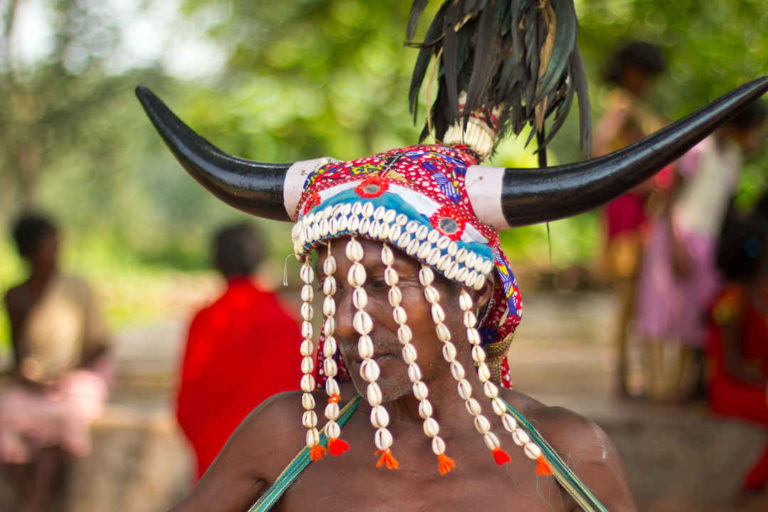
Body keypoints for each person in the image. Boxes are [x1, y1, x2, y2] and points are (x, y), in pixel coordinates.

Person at [135, 1, 768, 509]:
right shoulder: (287, 440)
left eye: (381, 285)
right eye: (335, 290)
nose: (349, 321)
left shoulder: (566, 455)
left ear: (472, 292)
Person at [634, 100, 768, 401]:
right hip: (678, 235)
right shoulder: (699, 149)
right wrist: (676, 242)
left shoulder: (732, 157)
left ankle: (680, 389)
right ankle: (659, 387)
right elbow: (669, 200)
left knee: (692, 315)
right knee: (663, 312)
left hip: (706, 242)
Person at [0, 213, 112, 512]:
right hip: (34, 383)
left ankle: (34, 505)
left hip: (75, 379)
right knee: (8, 421)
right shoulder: (16, 295)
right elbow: (19, 352)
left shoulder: (77, 290)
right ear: (30, 251)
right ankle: (34, 501)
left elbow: (100, 343)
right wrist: (31, 378)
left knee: (61, 420)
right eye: (49, 244)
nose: (56, 249)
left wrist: (67, 375)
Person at [176, 222, 303, 479]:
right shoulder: (286, 321)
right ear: (262, 261)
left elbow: (187, 404)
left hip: (218, 462)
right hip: (281, 464)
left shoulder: (206, 320)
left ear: (217, 263)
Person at [592, 41, 669, 397]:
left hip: (638, 210)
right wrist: (636, 180)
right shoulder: (623, 104)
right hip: (626, 209)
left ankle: (628, 375)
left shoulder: (637, 106)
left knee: (636, 295)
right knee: (627, 295)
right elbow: (601, 147)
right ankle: (622, 377)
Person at [707, 202, 768, 495]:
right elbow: (731, 365)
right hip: (732, 387)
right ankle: (751, 486)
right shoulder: (732, 300)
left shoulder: (758, 295)